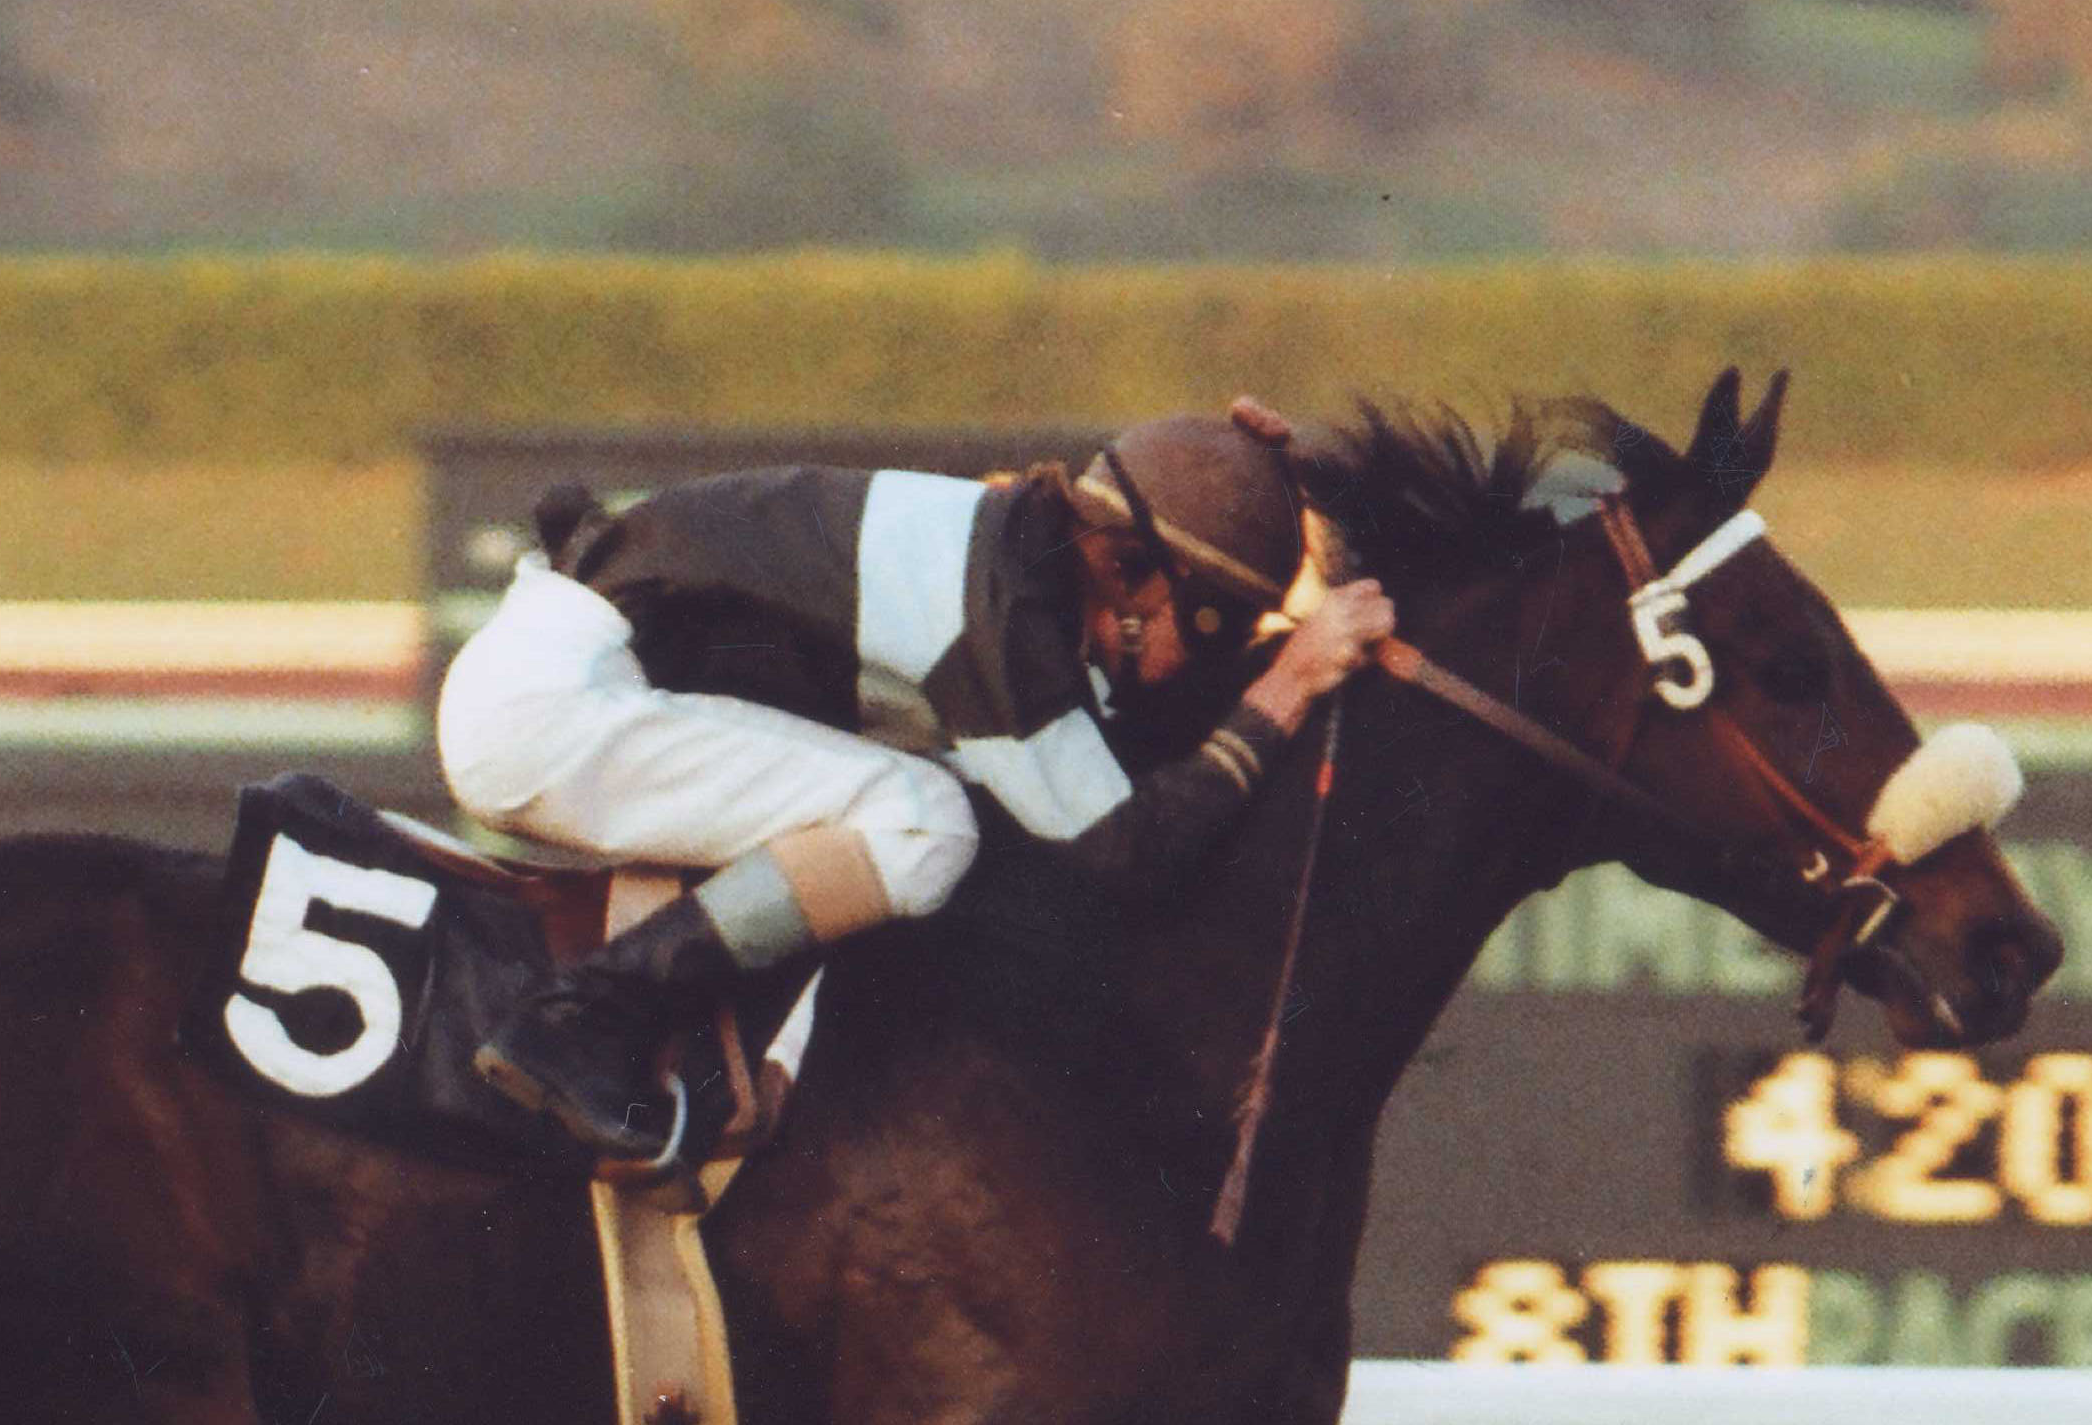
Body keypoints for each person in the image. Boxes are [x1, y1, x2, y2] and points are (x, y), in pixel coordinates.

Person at [437, 405, 1391, 1164]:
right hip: (548, 712)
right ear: (1127, 566)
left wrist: (1272, 482)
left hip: (561, 686)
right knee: (921, 821)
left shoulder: (1018, 562)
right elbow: (1127, 853)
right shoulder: (1001, 613)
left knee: (917, 805)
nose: (1209, 654)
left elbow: (1119, 765)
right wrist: (1289, 683)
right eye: (1218, 620)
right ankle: (579, 1021)